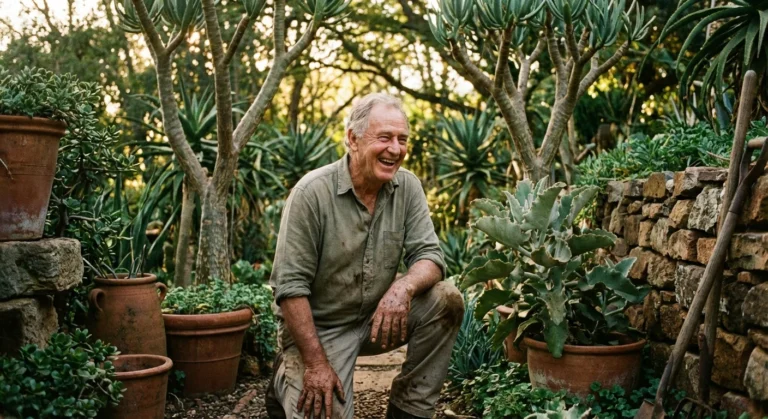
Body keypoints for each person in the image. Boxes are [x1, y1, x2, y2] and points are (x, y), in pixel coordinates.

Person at [266, 93, 464, 419]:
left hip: (376, 319)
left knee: (446, 299)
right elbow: (289, 289)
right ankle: (285, 378)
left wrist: (403, 288)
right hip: (321, 328)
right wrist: (315, 364)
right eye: (384, 137)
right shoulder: (310, 193)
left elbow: (430, 255)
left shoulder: (407, 188)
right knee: (321, 408)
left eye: (402, 139)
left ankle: (409, 408)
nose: (396, 149)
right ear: (352, 140)